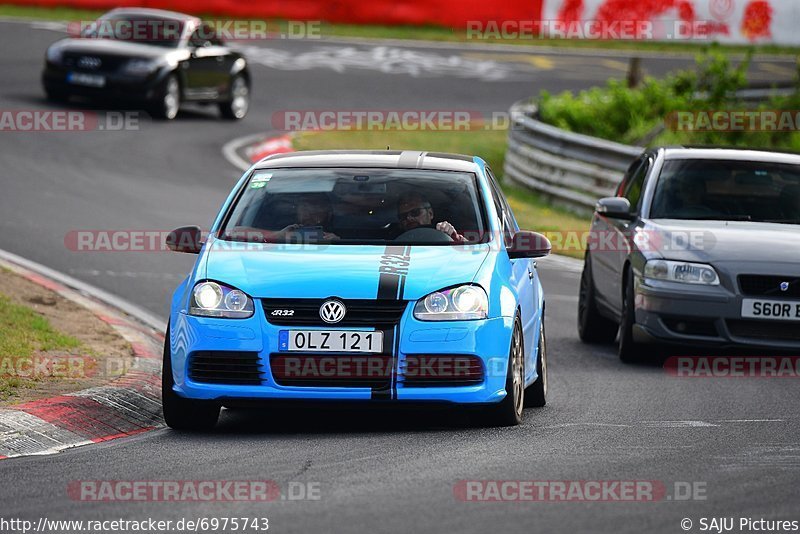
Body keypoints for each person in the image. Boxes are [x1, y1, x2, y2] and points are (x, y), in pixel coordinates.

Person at [392, 193, 466, 243]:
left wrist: (454, 237)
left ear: (430, 213)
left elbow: (470, 251)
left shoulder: (443, 231)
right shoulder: (391, 237)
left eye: (415, 212)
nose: (409, 218)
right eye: (403, 216)